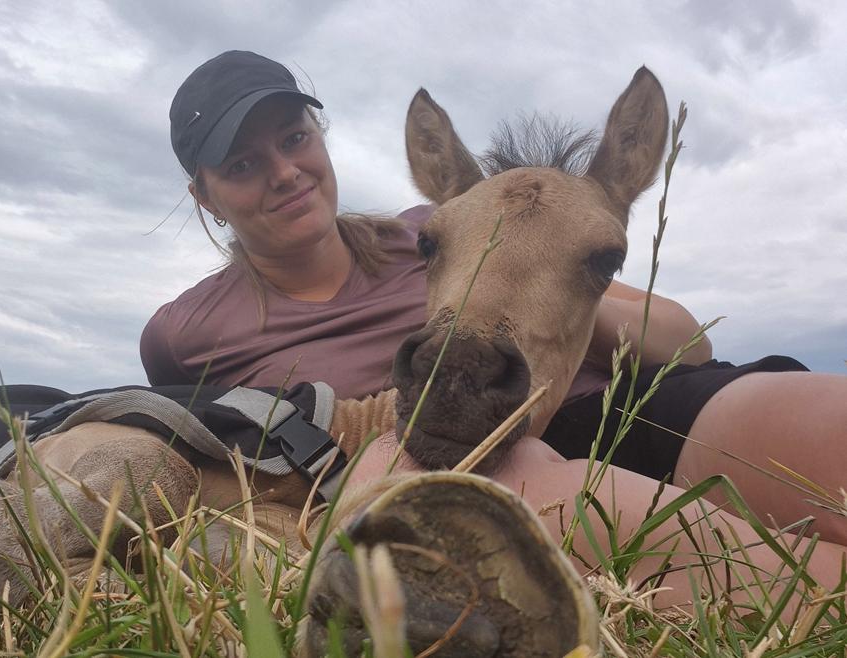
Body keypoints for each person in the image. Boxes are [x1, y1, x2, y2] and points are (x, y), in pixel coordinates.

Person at [140, 50, 847, 583]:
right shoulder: (184, 332)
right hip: (452, 451)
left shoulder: (442, 221)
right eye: (241, 164)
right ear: (205, 196)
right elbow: (197, 429)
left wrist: (564, 284)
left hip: (606, 403)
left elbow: (685, 345)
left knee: (817, 427)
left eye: (294, 139)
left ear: (319, 138)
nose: (285, 172)